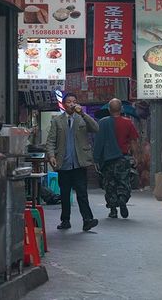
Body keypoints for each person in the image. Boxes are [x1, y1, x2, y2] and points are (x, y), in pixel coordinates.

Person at [46, 92, 100, 231]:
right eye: (69, 102)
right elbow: (51, 141)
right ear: (64, 105)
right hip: (63, 163)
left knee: (82, 193)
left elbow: (95, 128)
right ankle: (65, 220)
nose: (72, 104)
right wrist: (51, 155)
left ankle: (87, 219)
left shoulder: (82, 119)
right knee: (65, 194)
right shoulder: (57, 121)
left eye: (74, 101)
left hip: (79, 162)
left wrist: (83, 114)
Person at [93, 98, 139, 219]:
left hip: (107, 159)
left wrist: (96, 159)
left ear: (109, 109)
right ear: (121, 109)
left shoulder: (102, 123)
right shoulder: (128, 122)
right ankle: (122, 199)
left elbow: (98, 142)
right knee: (124, 182)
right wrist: (135, 156)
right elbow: (133, 141)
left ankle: (113, 210)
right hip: (122, 158)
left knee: (109, 185)